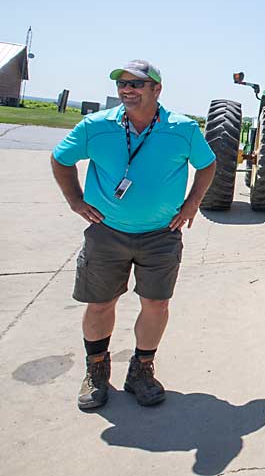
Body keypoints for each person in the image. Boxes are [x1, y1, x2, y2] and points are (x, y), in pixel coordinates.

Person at [50, 59, 217, 410]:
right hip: (106, 232)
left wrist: (192, 205)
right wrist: (75, 200)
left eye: (137, 84)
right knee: (100, 303)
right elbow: (60, 158)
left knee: (156, 303)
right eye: (122, 84)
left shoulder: (183, 129)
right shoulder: (95, 127)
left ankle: (141, 370)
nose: (127, 90)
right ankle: (96, 371)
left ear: (157, 89)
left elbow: (207, 164)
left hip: (161, 234)